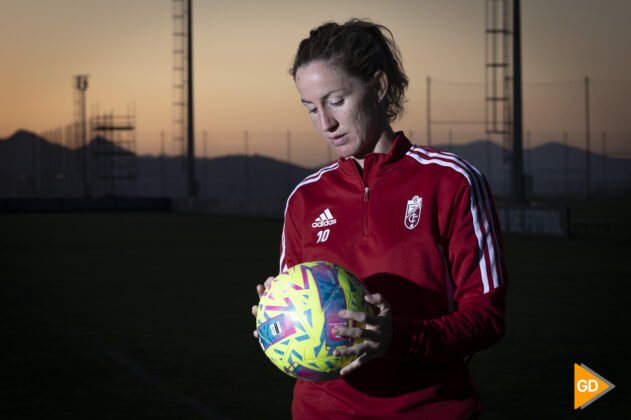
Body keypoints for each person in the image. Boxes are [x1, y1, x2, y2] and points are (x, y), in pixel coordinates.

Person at [252, 19, 507, 419]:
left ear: (380, 86)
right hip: (322, 412)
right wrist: (275, 318)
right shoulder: (305, 198)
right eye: (310, 108)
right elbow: (299, 309)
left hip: (429, 409)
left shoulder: (450, 180)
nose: (325, 123)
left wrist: (398, 338)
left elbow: (487, 317)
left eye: (336, 100)